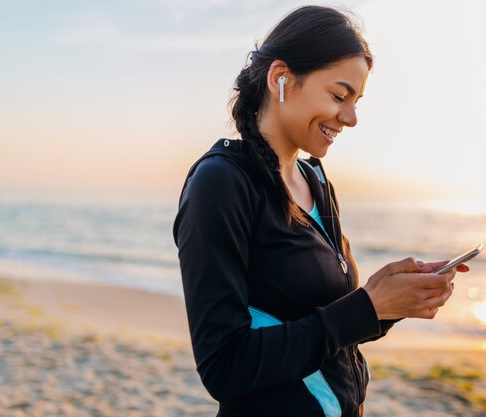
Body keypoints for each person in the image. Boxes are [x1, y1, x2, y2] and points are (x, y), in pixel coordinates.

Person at [172, 5, 469, 417]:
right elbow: (224, 366)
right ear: (281, 79)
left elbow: (330, 323)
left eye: (357, 101)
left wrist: (392, 302)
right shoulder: (221, 184)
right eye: (338, 96)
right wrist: (367, 307)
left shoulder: (316, 180)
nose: (350, 117)